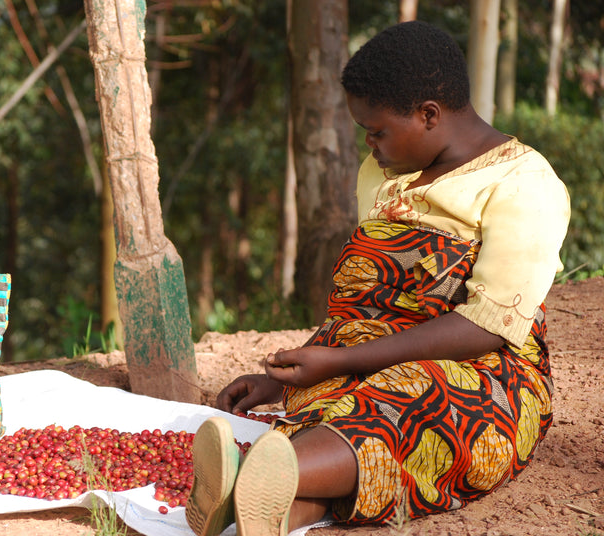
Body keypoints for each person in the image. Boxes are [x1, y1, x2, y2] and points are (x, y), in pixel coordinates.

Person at [185, 20, 571, 536]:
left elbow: (489, 325)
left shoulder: (525, 183)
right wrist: (289, 378)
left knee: (413, 395)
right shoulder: (384, 174)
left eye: (377, 130)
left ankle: (249, 480)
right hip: (370, 354)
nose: (369, 145)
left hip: (485, 371)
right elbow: (369, 307)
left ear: (428, 115)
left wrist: (341, 360)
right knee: (335, 401)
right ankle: (274, 509)